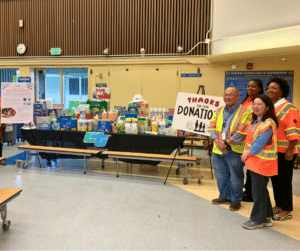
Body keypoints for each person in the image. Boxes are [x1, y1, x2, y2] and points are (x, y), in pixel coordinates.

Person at [209, 87, 252, 211]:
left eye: (231, 95)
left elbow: (242, 131)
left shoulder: (245, 111)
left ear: (237, 96)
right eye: (226, 95)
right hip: (217, 150)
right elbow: (212, 126)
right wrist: (216, 140)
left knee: (235, 177)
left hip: (234, 150)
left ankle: (235, 200)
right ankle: (224, 196)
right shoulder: (218, 110)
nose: (227, 97)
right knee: (221, 176)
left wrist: (225, 144)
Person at [241, 94, 278, 229]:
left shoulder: (268, 123)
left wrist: (246, 154)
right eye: (254, 104)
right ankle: (267, 217)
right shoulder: (256, 122)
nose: (255, 107)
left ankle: (257, 219)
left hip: (262, 163)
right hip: (255, 162)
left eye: (259, 104)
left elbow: (259, 143)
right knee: (261, 190)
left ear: (267, 107)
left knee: (257, 191)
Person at [266, 77, 300, 221]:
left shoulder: (289, 107)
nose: (270, 90)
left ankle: (286, 208)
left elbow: (294, 131)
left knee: (285, 180)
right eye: (269, 88)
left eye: (274, 88)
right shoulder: (271, 107)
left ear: (282, 91)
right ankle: (279, 204)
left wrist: (290, 150)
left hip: (286, 151)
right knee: (275, 179)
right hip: (273, 151)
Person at [241, 79, 264, 202]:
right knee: (248, 168)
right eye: (248, 86)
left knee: (252, 169)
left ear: (259, 88)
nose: (249, 88)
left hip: (254, 138)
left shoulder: (260, 101)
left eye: (253, 86)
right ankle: (247, 190)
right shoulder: (246, 100)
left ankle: (250, 194)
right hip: (244, 139)